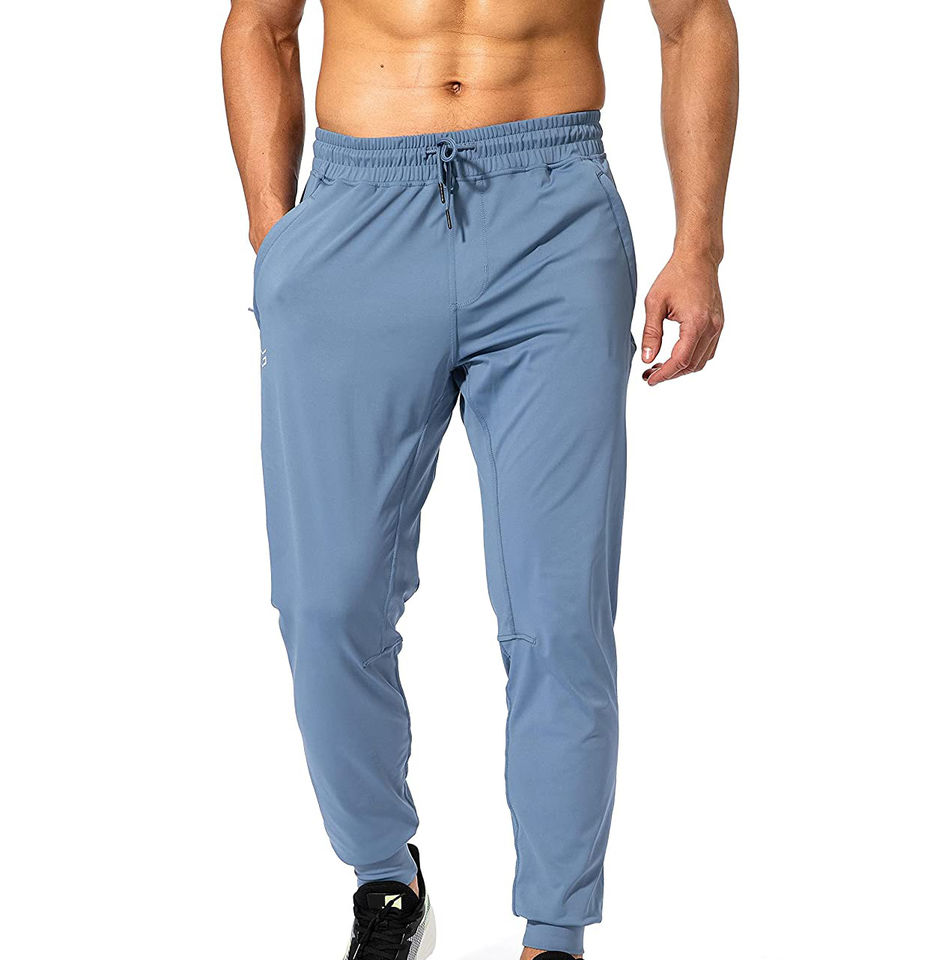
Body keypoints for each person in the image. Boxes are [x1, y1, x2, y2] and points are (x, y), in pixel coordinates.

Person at [221, 1, 738, 956]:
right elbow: (261, 24)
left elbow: (694, 19)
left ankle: (555, 931)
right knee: (325, 604)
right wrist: (274, 236)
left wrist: (698, 246)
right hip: (357, 211)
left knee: (558, 610)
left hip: (552, 213)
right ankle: (385, 875)